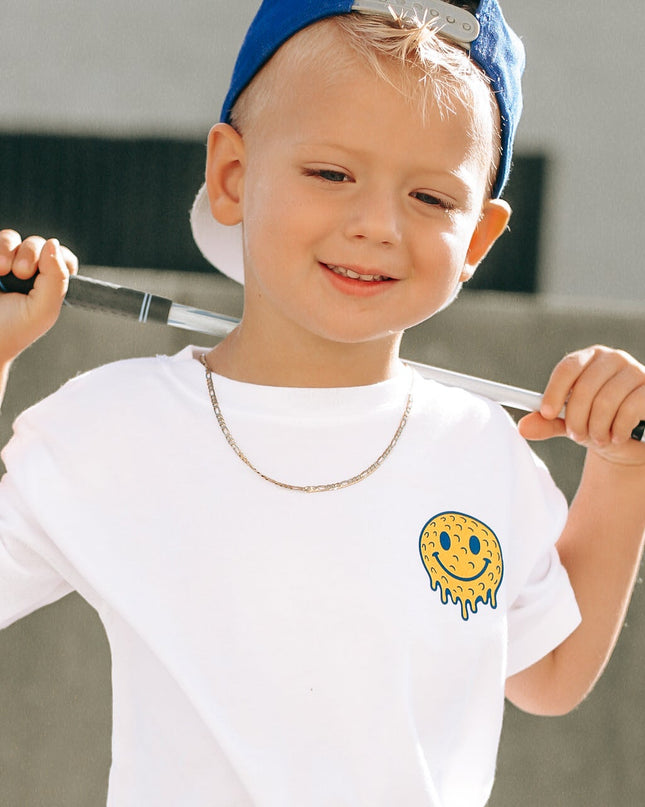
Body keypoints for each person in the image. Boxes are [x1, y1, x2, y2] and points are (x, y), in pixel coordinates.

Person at [1, 1, 644, 805]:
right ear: (233, 176)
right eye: (331, 174)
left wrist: (622, 467)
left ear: (477, 240)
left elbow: (547, 672)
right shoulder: (113, 425)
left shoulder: (482, 447)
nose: (376, 225)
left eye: (430, 198)